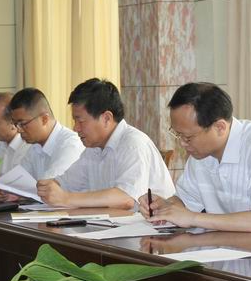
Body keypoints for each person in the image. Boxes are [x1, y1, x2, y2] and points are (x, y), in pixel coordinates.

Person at [139, 82, 251, 241]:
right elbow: (186, 202)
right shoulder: (199, 154)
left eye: (187, 137)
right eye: (177, 135)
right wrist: (165, 207)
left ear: (220, 127)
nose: (182, 143)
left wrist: (193, 218)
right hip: (239, 250)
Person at [37, 78, 175, 209]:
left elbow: (126, 198)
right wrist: (48, 188)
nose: (75, 128)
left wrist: (67, 199)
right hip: (111, 223)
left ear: (106, 118)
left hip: (152, 224)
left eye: (81, 121)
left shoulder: (133, 144)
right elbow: (65, 184)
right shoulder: (93, 149)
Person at [0, 88, 83, 201]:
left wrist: (21, 194)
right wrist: (8, 190)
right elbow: (19, 180)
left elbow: (50, 188)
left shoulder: (70, 144)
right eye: (16, 124)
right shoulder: (34, 146)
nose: (19, 130)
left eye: (23, 124)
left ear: (44, 119)